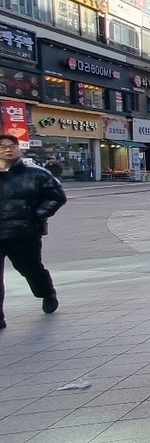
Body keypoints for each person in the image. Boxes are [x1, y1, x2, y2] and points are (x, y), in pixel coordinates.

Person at [0, 134, 65, 329]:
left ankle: (46, 292)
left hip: (23, 232)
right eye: (2, 147)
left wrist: (35, 214)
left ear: (18, 149)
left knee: (30, 269)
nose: (8, 149)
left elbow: (57, 197)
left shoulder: (36, 174)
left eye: (12, 146)